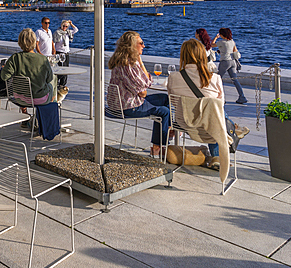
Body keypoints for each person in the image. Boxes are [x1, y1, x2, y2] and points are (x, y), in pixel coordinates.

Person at [168, 39, 248, 169]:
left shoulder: (173, 78)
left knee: (211, 111)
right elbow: (220, 106)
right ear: (202, 55)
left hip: (183, 124)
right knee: (214, 111)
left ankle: (225, 142)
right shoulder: (215, 78)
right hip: (210, 128)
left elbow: (173, 103)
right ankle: (232, 130)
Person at [104, 31, 170, 158]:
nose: (144, 46)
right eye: (141, 43)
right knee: (164, 112)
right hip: (128, 107)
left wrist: (139, 61)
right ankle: (158, 147)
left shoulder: (121, 60)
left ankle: (169, 130)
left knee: (165, 98)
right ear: (132, 46)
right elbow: (144, 90)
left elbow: (145, 86)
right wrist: (141, 62)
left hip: (119, 104)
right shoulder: (129, 64)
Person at [2, 28, 55, 106]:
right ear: (34, 42)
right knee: (52, 83)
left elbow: (4, 77)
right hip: (40, 99)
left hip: (20, 98)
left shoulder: (14, 58)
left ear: (20, 42)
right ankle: (48, 112)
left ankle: (25, 111)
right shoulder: (43, 59)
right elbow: (49, 79)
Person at [214, 28, 248, 104]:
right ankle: (242, 97)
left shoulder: (221, 42)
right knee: (235, 80)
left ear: (222, 35)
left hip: (225, 62)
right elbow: (234, 51)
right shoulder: (232, 41)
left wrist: (216, 38)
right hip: (233, 62)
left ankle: (221, 98)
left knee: (218, 79)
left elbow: (211, 45)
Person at [53, 20, 78, 88]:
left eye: (66, 26)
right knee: (60, 69)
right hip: (59, 52)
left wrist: (71, 23)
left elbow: (76, 29)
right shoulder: (57, 32)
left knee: (66, 69)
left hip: (66, 52)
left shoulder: (68, 32)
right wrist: (54, 52)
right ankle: (57, 81)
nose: (64, 27)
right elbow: (54, 42)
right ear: (61, 25)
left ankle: (63, 84)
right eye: (63, 26)